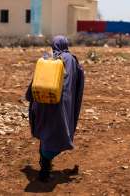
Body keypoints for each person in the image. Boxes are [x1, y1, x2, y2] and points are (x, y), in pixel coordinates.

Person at [25, 35, 85, 182]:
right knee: (58, 134)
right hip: (60, 106)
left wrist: (29, 96)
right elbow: (79, 78)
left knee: (46, 133)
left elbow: (36, 81)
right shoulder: (71, 59)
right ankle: (45, 168)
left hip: (42, 104)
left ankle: (45, 166)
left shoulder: (46, 58)